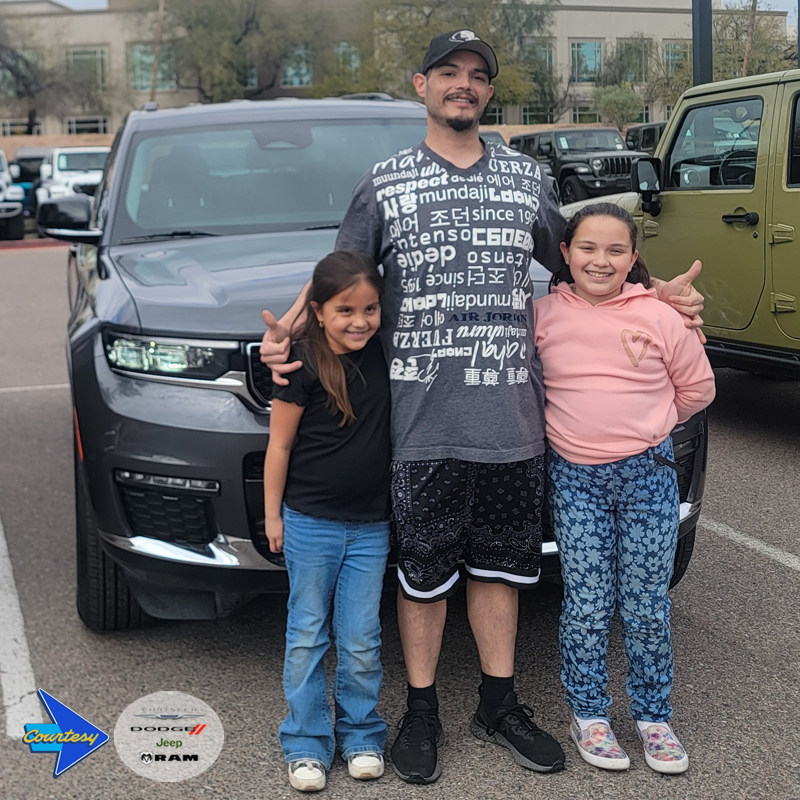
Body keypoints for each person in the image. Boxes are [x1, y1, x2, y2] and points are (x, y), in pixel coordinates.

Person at [260, 30, 706, 785]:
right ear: (422, 85)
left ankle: (497, 704)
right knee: (424, 576)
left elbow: (587, 263)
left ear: (488, 93)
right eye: (448, 73)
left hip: (513, 425)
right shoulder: (387, 182)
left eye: (476, 76)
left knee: (502, 569)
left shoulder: (528, 182)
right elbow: (340, 277)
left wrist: (656, 292)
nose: (462, 85)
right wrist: (285, 337)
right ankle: (424, 710)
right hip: (423, 424)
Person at [534, 203, 715, 774]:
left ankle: (653, 717)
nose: (600, 260)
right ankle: (588, 714)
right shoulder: (540, 317)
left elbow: (696, 390)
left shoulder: (662, 318)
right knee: (587, 603)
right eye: (587, 248)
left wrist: (648, 427)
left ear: (634, 259)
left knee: (646, 604)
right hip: (575, 480)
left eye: (616, 250)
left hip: (647, 478)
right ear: (564, 254)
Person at [263, 251, 391, 792]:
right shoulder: (301, 365)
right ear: (318, 311)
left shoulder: (385, 351)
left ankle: (361, 734)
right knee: (307, 634)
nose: (359, 320)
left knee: (361, 638)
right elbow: (280, 444)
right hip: (310, 523)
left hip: (371, 526)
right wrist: (272, 514)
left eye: (370, 308)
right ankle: (306, 743)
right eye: (344, 310)